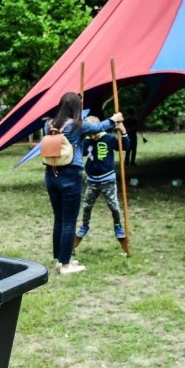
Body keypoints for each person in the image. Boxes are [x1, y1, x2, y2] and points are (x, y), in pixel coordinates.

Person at [43, 92, 122, 274]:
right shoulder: (78, 125)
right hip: (70, 176)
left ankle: (59, 258)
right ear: (76, 107)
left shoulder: (49, 125)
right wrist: (114, 119)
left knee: (59, 219)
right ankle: (65, 264)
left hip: (51, 176)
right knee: (70, 220)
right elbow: (99, 127)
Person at [75, 116, 129, 246]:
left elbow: (126, 146)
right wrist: (79, 136)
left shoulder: (109, 138)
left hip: (107, 180)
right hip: (92, 181)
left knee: (113, 206)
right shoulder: (86, 141)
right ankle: (85, 225)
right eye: (89, 133)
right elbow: (79, 152)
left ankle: (118, 225)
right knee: (87, 206)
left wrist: (123, 131)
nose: (92, 136)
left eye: (94, 133)